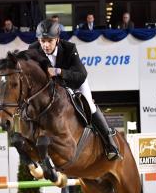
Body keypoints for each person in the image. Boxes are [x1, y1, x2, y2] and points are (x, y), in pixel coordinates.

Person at [29, 19, 120, 160]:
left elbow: (81, 75)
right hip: (53, 88)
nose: (45, 45)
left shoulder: (69, 48)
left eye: (49, 41)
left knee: (90, 105)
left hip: (74, 83)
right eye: (42, 41)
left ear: (57, 39)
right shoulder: (33, 49)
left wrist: (59, 71)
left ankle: (110, 143)